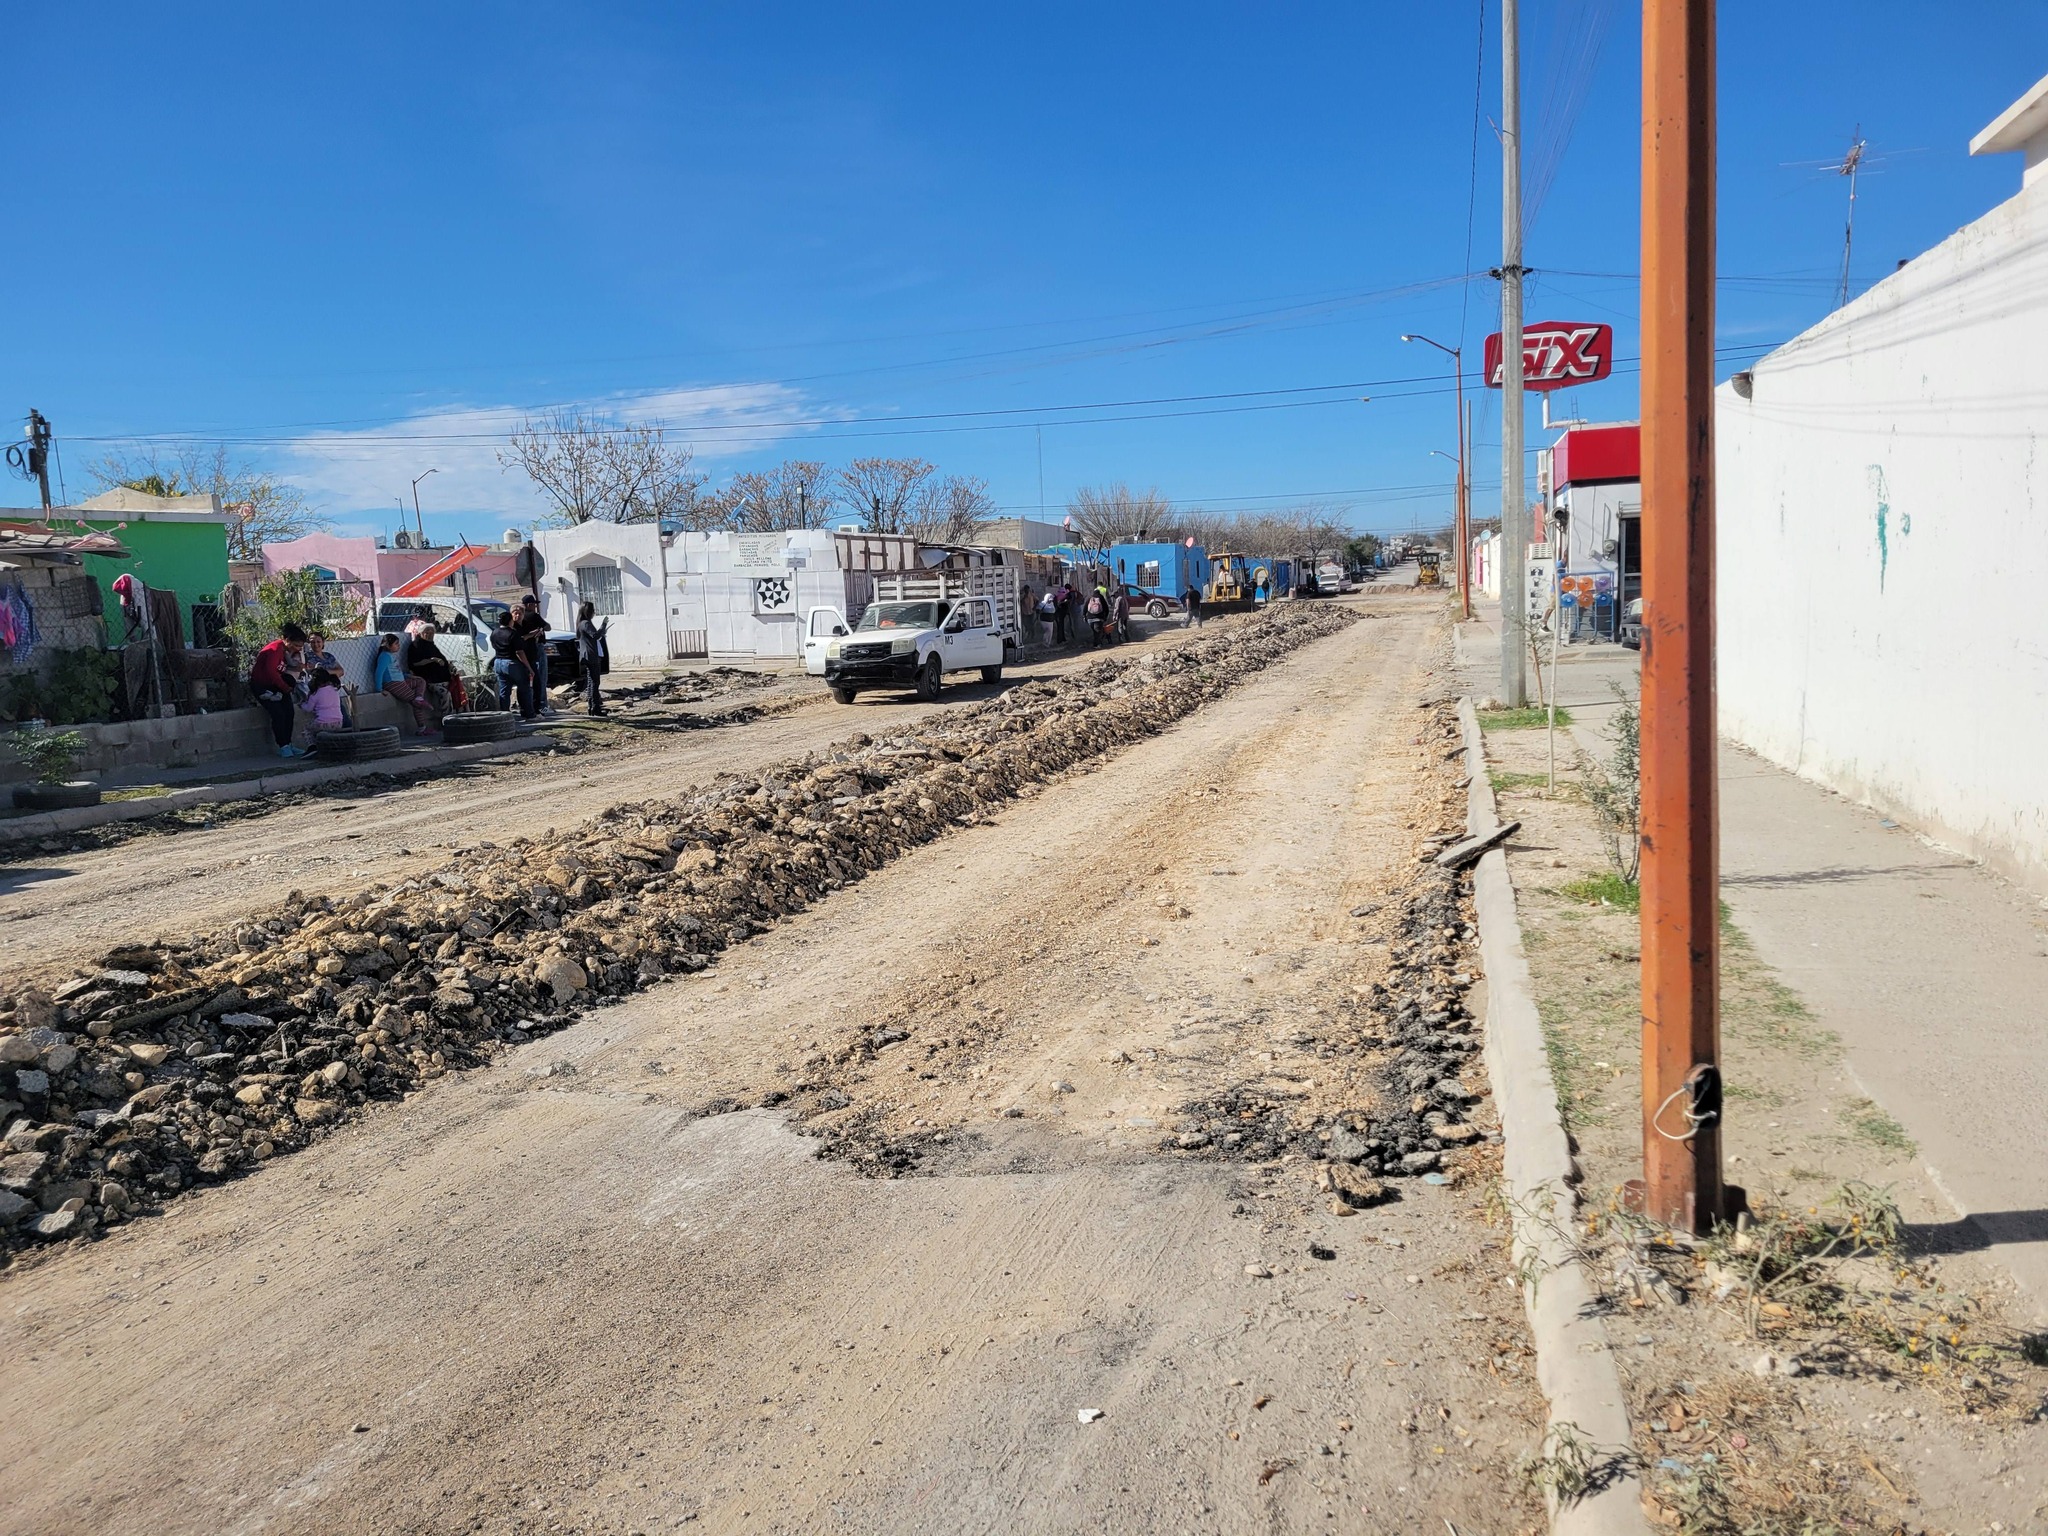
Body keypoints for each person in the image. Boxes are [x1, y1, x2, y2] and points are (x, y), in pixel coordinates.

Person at [250, 622, 309, 758]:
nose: (298, 649)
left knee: (289, 712)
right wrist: (284, 687)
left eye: (300, 646)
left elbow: (283, 669)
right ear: (287, 640)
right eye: (296, 645)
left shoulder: (286, 651)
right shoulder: (275, 649)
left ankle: (288, 743)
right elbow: (271, 672)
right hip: (263, 685)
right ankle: (283, 746)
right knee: (278, 714)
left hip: (277, 686)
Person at [374, 632, 436, 734]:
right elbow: (379, 672)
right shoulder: (385, 656)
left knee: (420, 681)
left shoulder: (391, 656)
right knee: (416, 704)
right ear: (388, 646)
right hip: (393, 684)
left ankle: (419, 698)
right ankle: (422, 728)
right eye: (396, 644)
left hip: (401, 682)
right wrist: (379, 689)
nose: (398, 646)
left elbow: (396, 671)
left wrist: (408, 676)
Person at [403, 624, 460, 717]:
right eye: (427, 632)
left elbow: (442, 659)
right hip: (429, 680)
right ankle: (447, 717)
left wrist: (449, 665)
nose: (430, 635)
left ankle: (458, 714)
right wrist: (432, 660)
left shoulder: (431, 645)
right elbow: (414, 664)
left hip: (442, 679)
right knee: (445, 693)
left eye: (432, 633)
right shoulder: (415, 646)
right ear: (420, 633)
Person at [512, 594, 555, 718]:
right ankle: (542, 705)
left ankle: (529, 706)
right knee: (540, 678)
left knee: (526, 682)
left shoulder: (520, 621)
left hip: (525, 651)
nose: (535, 606)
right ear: (529, 605)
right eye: (534, 604)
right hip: (536, 648)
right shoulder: (533, 616)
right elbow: (548, 627)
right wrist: (539, 629)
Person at [490, 615, 536, 720]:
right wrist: (529, 668)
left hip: (498, 662)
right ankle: (529, 714)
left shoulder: (494, 632)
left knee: (504, 690)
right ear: (510, 621)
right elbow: (519, 652)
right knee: (524, 688)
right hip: (511, 663)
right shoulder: (513, 633)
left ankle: (504, 715)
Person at [574, 601, 610, 716]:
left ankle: (592, 707)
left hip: (587, 655)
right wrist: (603, 625)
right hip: (591, 655)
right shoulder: (586, 623)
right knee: (595, 682)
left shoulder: (581, 623)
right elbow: (595, 635)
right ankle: (595, 707)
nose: (594, 613)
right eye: (592, 611)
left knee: (591, 681)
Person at [304, 666, 347, 733]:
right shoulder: (334, 690)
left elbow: (308, 708)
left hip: (323, 723)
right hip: (339, 722)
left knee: (307, 730)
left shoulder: (315, 694)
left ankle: (313, 740)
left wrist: (301, 704)